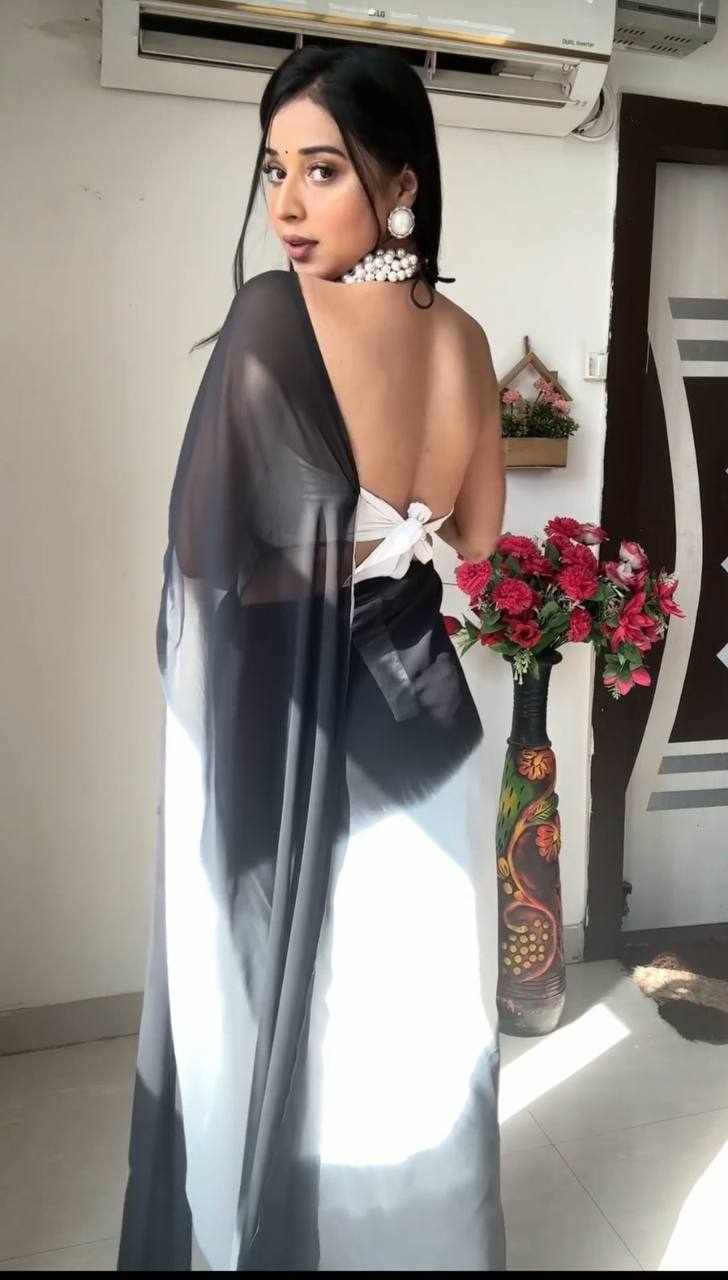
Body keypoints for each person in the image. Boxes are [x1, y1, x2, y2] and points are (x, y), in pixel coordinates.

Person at [117, 41, 506, 1273]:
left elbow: (204, 560)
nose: (286, 203)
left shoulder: (273, 316)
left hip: (300, 722)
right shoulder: (464, 336)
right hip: (428, 722)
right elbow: (476, 539)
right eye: (273, 169)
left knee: (276, 1015)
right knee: (408, 1032)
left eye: (322, 169)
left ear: (399, 181)